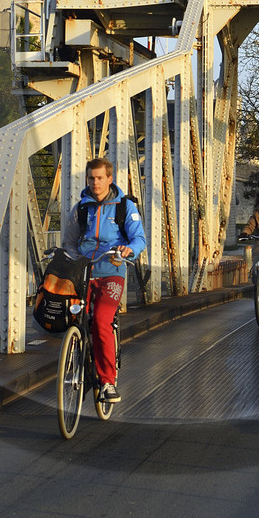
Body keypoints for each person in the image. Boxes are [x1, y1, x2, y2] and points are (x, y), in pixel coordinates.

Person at [62, 157, 146, 403]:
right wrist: (74, 258)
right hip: (84, 272)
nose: (95, 182)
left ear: (110, 179)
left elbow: (139, 238)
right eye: (91, 178)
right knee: (74, 316)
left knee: (101, 321)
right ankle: (77, 355)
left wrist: (130, 250)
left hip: (112, 271)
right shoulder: (81, 208)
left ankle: (108, 381)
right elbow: (69, 241)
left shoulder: (125, 207)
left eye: (100, 178)